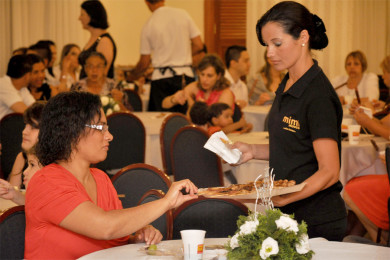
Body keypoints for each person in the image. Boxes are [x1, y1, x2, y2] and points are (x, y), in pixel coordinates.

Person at [24, 91, 198, 259]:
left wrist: (135, 238)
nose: (109, 136)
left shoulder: (100, 178)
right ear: (72, 131)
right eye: (100, 127)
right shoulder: (46, 182)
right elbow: (105, 226)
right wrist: (167, 202)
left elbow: (112, 239)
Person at [231, 1, 347, 241]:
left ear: (303, 37)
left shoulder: (318, 95)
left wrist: (289, 196)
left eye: (277, 43)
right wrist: (252, 150)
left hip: (316, 220)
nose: (269, 53)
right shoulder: (288, 83)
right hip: (289, 215)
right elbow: (294, 145)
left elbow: (329, 171)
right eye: (266, 45)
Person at [129, 0, 204, 112]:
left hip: (161, 79)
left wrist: (132, 75)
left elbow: (144, 63)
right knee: (186, 118)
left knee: (160, 120)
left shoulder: (149, 25)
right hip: (184, 75)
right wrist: (182, 55)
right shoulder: (183, 14)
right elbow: (198, 45)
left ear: (146, 2)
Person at [162, 54, 234, 115]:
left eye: (209, 76)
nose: (204, 79)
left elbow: (219, 121)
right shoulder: (195, 86)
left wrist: (194, 106)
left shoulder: (226, 93)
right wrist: (174, 99)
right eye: (202, 74)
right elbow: (164, 104)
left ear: (218, 76)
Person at [8, 101, 45, 188]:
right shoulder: (21, 157)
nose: (24, 132)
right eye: (26, 125)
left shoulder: (57, 162)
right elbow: (13, 193)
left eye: (33, 127)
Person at [78, 0, 116, 79]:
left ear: (91, 16)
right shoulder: (94, 38)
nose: (79, 18)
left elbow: (102, 75)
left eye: (82, 14)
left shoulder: (104, 41)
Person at [0, 54, 35, 120]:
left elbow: (35, 108)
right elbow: (24, 112)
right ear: (27, 76)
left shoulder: (22, 87)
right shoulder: (2, 85)